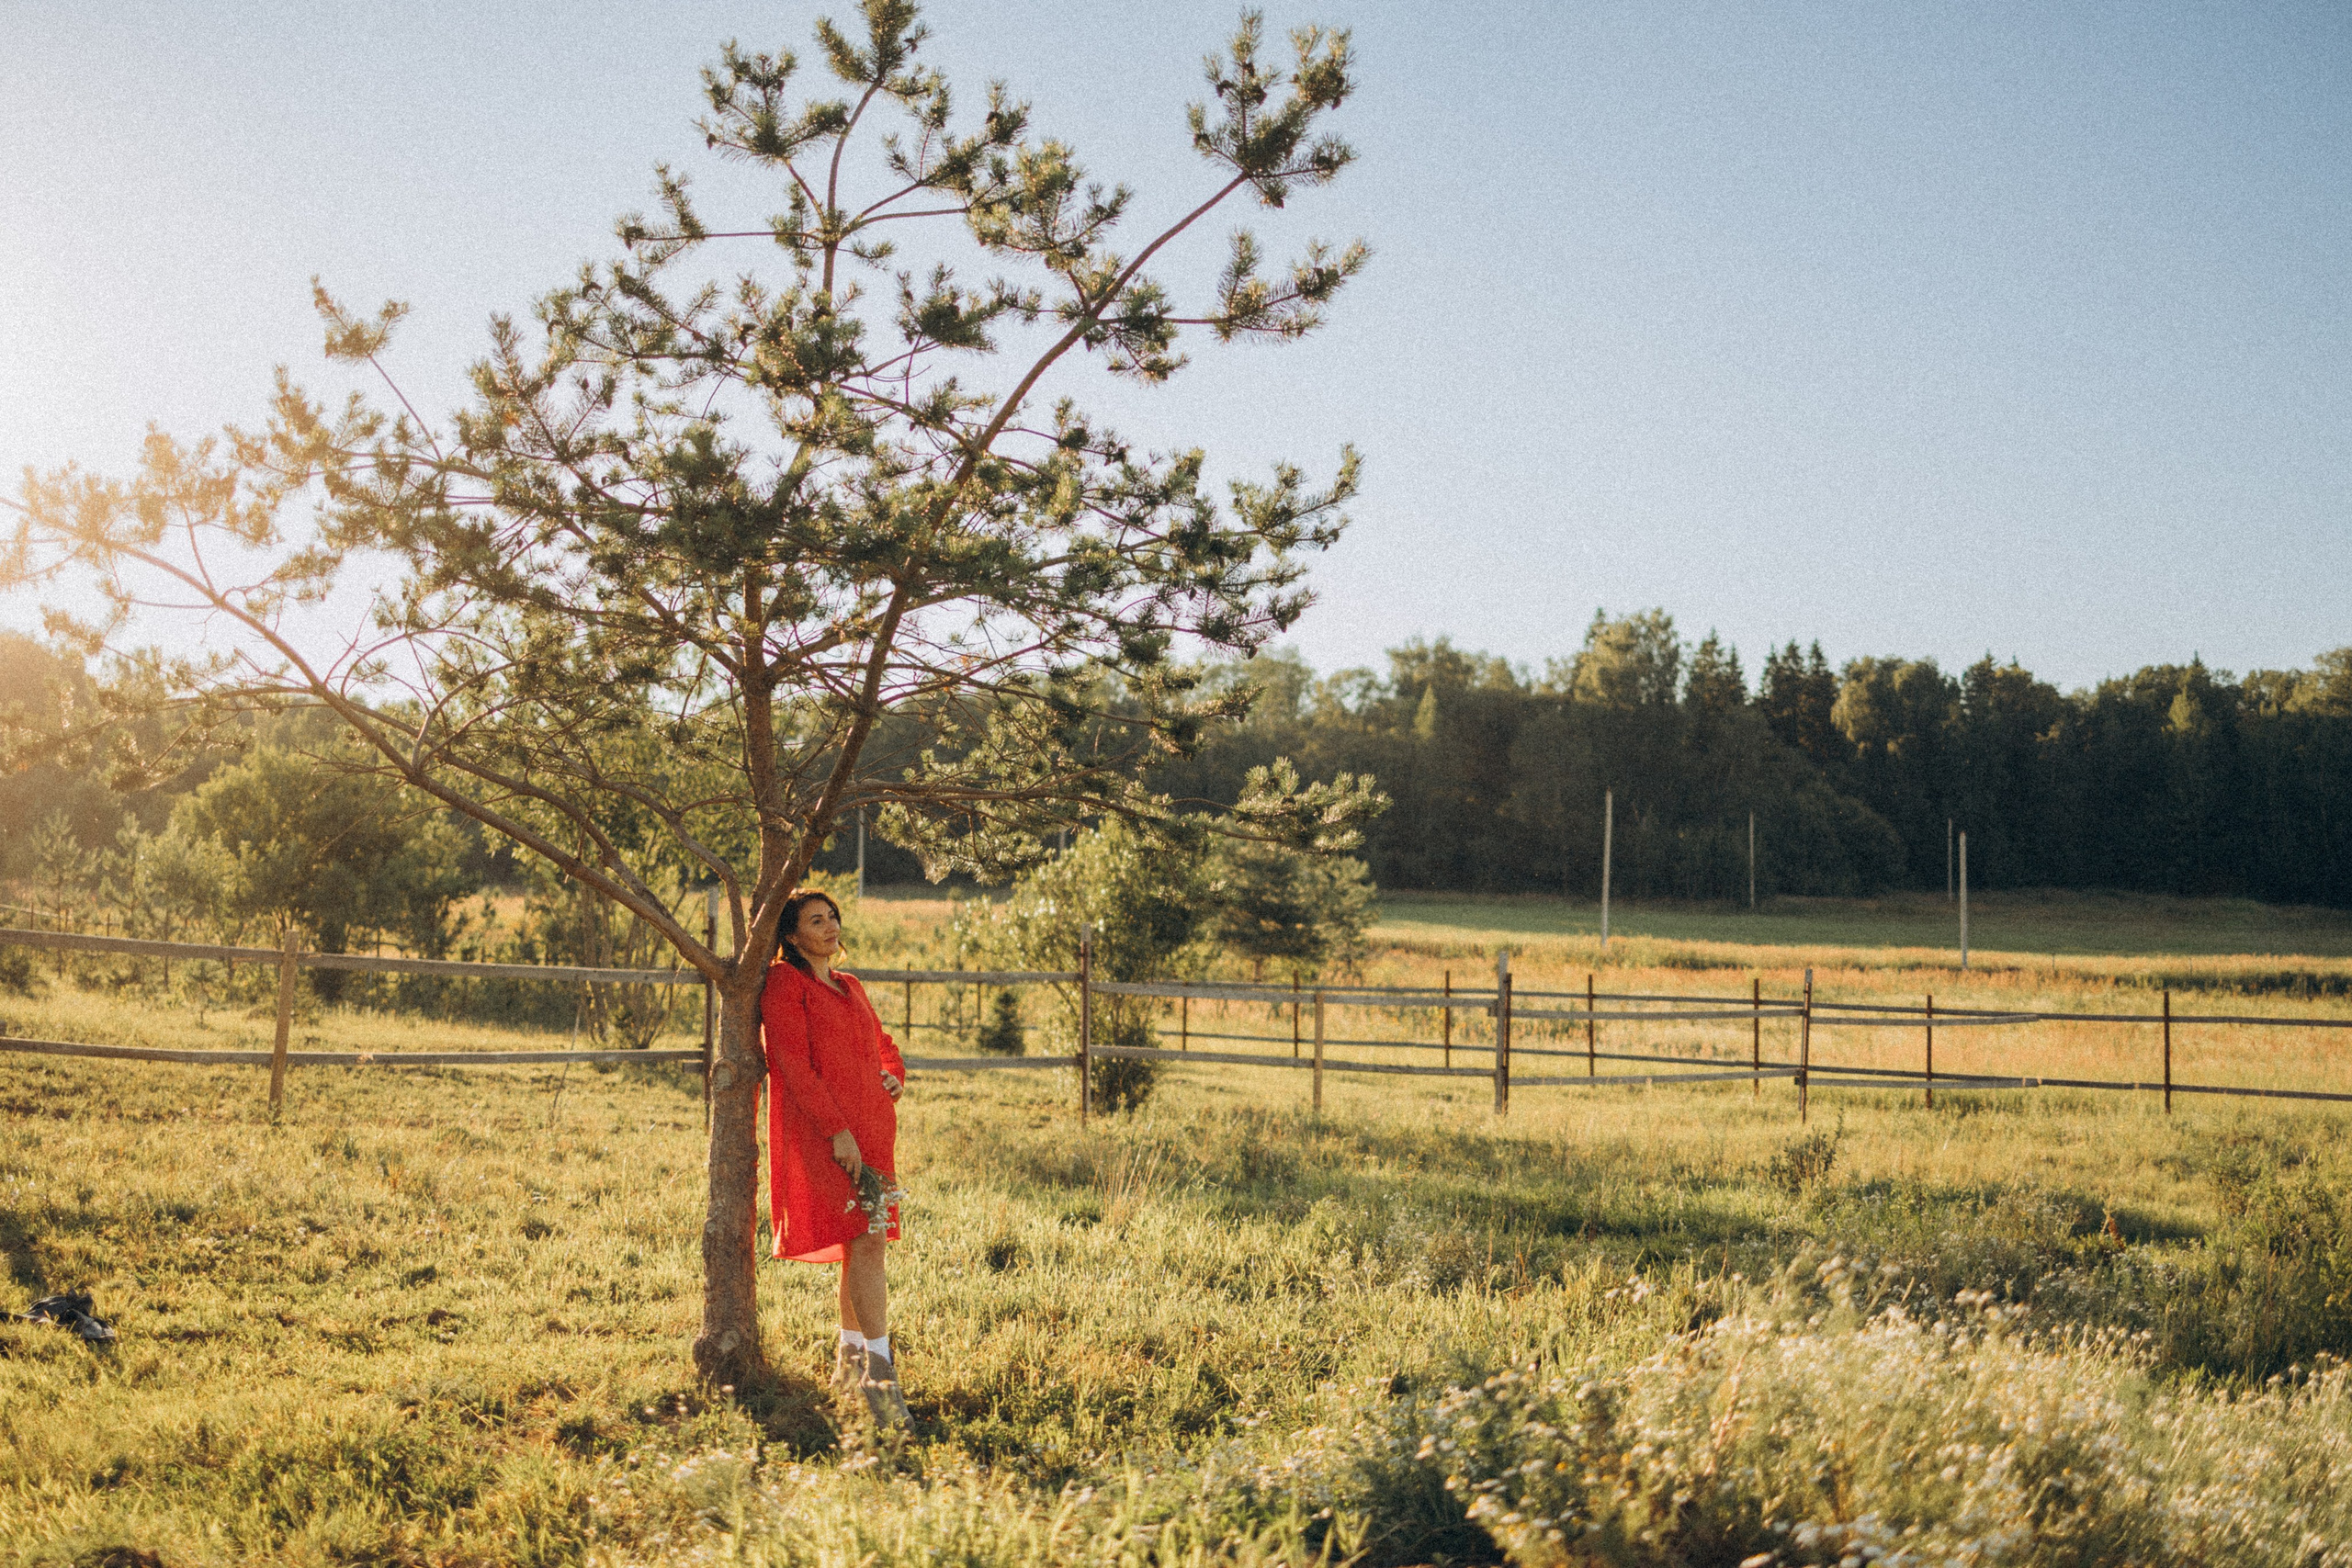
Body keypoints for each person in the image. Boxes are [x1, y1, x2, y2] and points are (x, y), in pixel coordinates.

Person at [761, 886, 910, 1424]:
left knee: (863, 1244)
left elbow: (882, 1045)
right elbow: (792, 1064)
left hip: (873, 1132)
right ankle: (880, 1374)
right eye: (816, 921)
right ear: (791, 935)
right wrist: (836, 1131)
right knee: (866, 1240)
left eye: (833, 918)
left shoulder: (850, 985)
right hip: (830, 1136)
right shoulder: (785, 984)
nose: (830, 928)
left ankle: (849, 1362)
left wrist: (892, 1075)